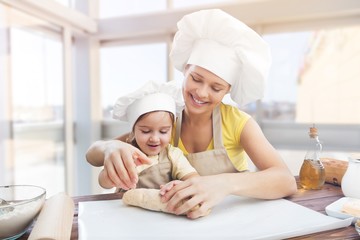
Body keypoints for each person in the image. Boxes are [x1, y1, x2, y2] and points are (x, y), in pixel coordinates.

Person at [86, 9, 297, 219]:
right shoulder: (167, 118)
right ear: (186, 69)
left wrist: (223, 183)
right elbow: (92, 156)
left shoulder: (238, 123)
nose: (202, 93)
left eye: (216, 88)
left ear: (228, 90)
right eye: (196, 78)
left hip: (229, 223)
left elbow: (285, 180)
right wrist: (109, 147)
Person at [98, 80, 199, 191]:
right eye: (146, 131)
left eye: (163, 131)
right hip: (125, 207)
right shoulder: (125, 152)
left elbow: (194, 180)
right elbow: (103, 183)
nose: (155, 139)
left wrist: (180, 185)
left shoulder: (173, 155)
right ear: (133, 130)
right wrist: (110, 177)